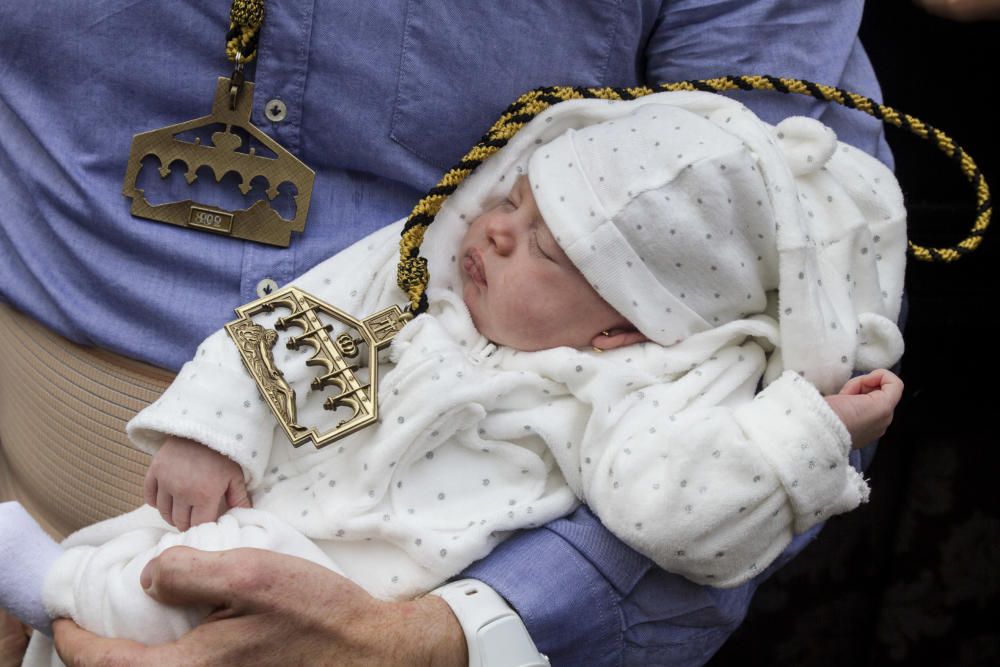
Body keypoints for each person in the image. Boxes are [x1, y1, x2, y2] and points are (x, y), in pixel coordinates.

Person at [0, 2, 897, 665]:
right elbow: (281, 331)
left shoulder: (634, 397)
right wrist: (209, 429)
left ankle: (52, 588)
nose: (497, 230)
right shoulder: (422, 273)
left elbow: (684, 497)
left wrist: (447, 638)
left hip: (381, 600)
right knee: (174, 572)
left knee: (227, 565)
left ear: (628, 330)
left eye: (545, 243)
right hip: (85, 485)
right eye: (508, 197)